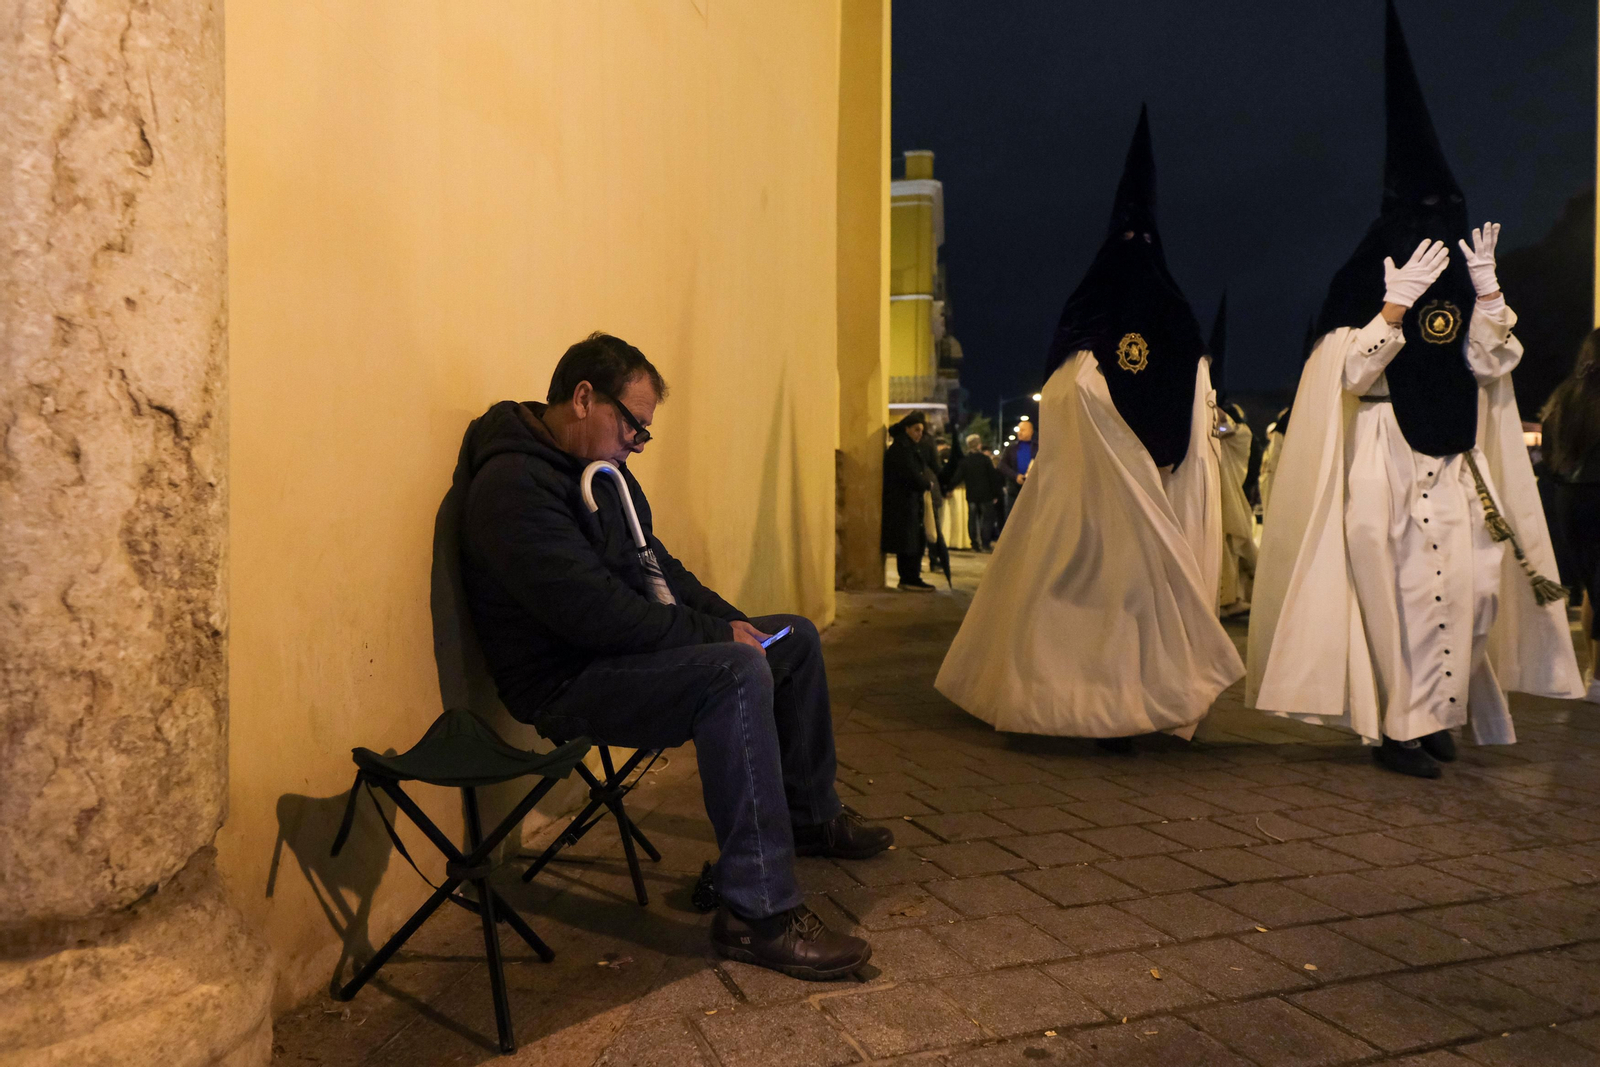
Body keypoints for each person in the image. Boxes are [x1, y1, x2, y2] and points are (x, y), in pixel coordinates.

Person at [459, 332, 890, 978]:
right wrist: (717, 640)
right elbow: (595, 612)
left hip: (614, 654)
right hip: (566, 680)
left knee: (790, 639)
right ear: (583, 398)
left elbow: (659, 570)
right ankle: (757, 911)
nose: (638, 442)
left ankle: (809, 817)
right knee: (736, 670)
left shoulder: (603, 475)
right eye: (634, 424)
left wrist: (731, 620)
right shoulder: (513, 489)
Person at [1248, 2, 1583, 779]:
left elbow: (1491, 368)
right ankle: (1399, 727)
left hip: (1452, 457)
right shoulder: (1364, 275)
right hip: (1382, 452)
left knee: (1472, 588)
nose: (1440, 221)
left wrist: (1491, 299)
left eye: (1449, 210)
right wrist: (1392, 308)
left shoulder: (1463, 279)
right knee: (1394, 592)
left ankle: (1437, 712)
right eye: (1426, 211)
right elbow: (1348, 372)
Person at [936, 107, 1243, 745]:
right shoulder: (1092, 311)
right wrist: (1113, 460)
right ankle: (1076, 706)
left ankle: (1141, 706)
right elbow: (1069, 392)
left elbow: (1194, 400)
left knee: (1136, 608)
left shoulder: (1174, 319)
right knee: (1083, 599)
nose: (1136, 256)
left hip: (1157, 486)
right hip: (1091, 496)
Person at [1542, 330, 1600, 702]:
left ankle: (1593, 675)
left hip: (1569, 498)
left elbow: (1550, 448)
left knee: (1592, 586)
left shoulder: (1566, 394)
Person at [1210, 295, 1256, 616]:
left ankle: (1230, 599)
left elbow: (1233, 431)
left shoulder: (1233, 423)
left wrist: (1218, 415)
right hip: (1207, 490)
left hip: (1226, 490)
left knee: (1230, 545)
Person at [881, 411, 936, 591]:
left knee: (912, 540)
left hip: (909, 502)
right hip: (903, 503)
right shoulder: (901, 450)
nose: (919, 433)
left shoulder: (907, 447)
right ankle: (909, 578)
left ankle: (911, 576)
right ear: (907, 429)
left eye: (921, 430)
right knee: (909, 542)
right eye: (916, 429)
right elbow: (910, 474)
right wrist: (926, 484)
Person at [955, 433, 1003, 551]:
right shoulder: (985, 460)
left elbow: (958, 477)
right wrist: (996, 494)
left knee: (972, 519)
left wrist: (948, 487)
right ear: (979, 445)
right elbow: (993, 477)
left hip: (971, 495)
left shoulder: (965, 461)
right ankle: (985, 543)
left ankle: (974, 543)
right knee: (987, 519)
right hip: (986, 495)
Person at [998, 419, 1035, 516]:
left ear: (1031, 431)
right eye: (1019, 430)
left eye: (1023, 430)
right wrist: (1015, 476)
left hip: (1033, 490)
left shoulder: (1037, 447)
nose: (1020, 432)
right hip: (1014, 491)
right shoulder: (1011, 448)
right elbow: (1002, 465)